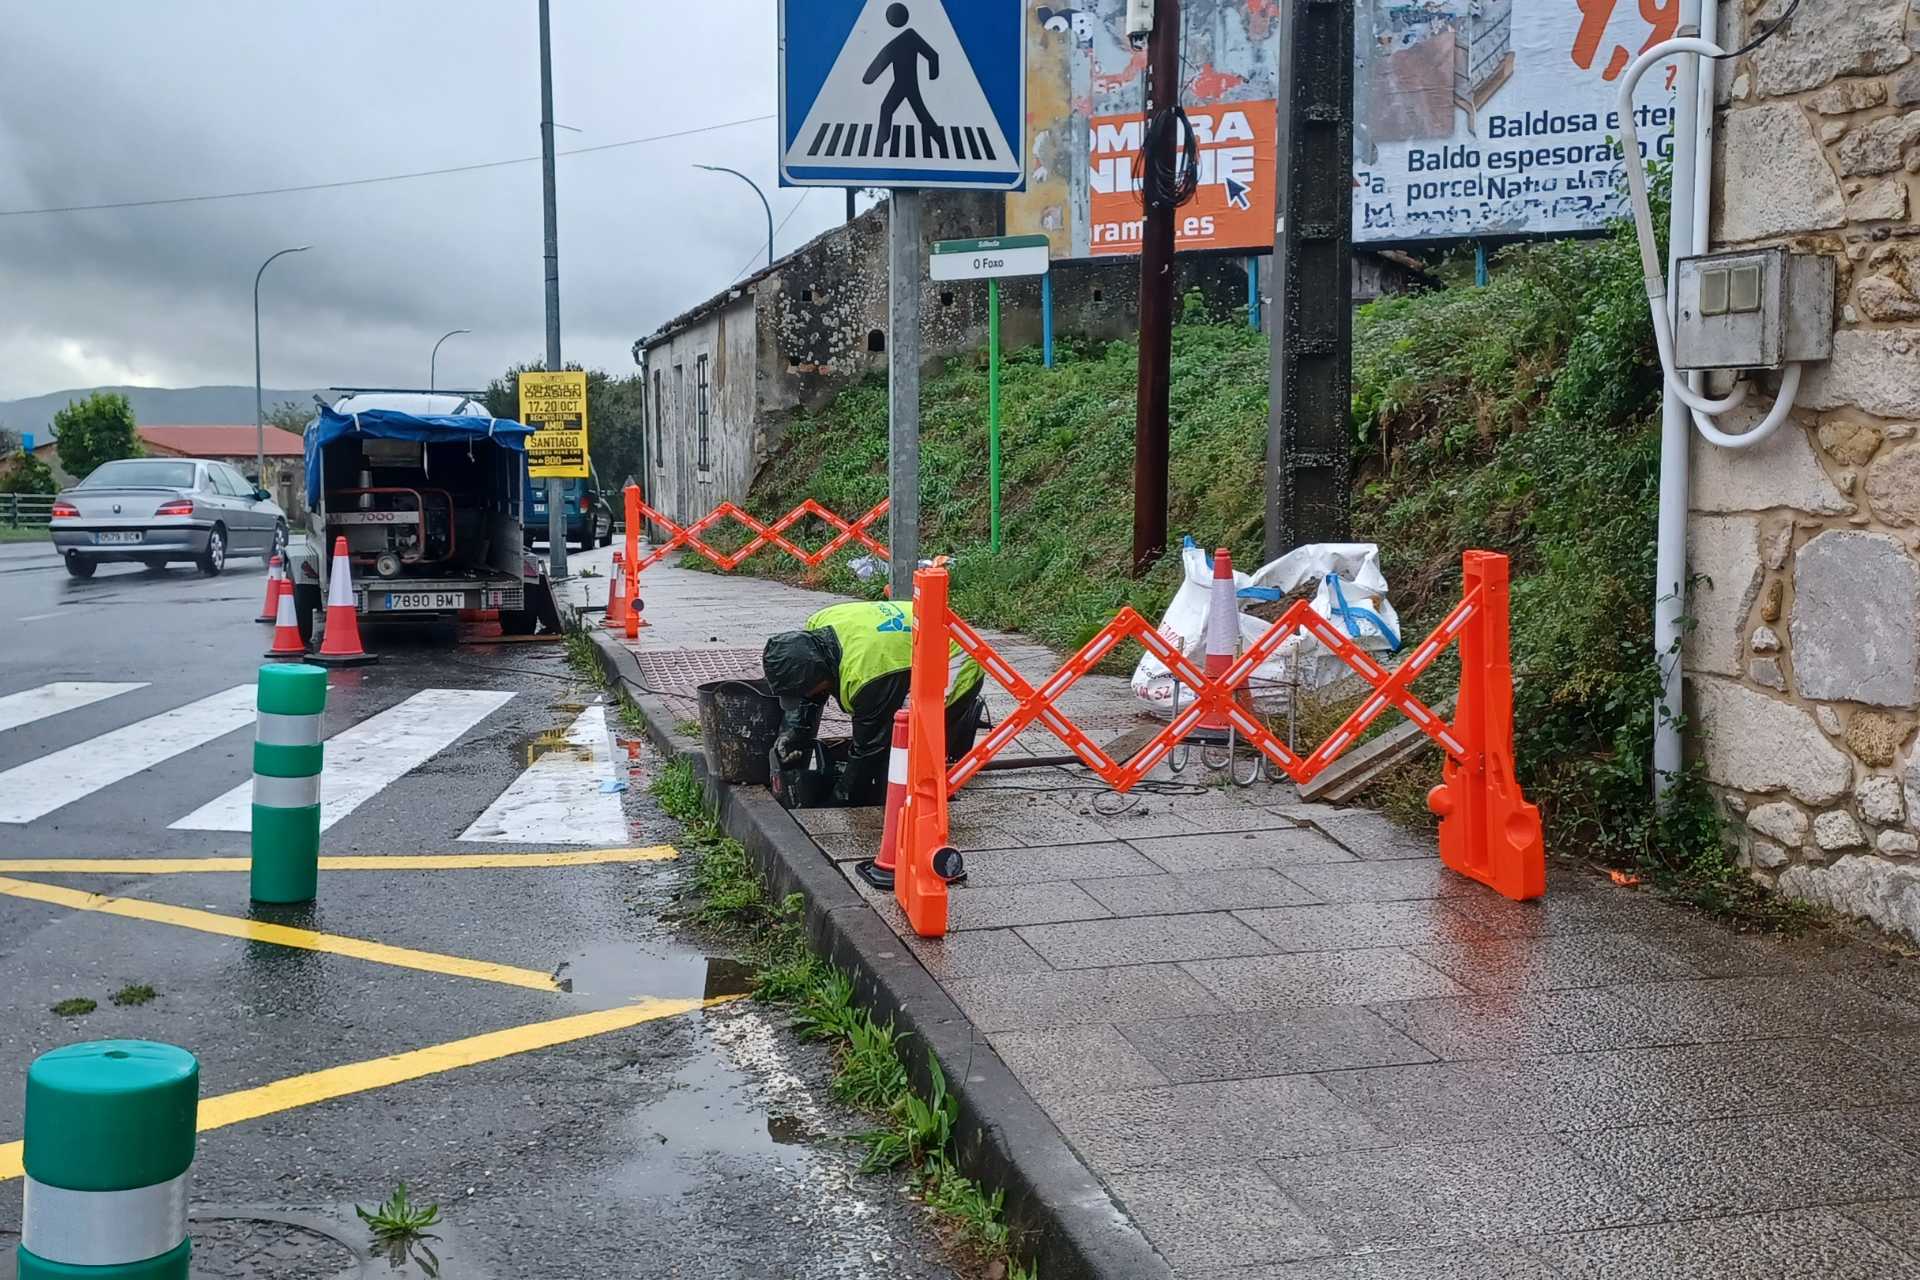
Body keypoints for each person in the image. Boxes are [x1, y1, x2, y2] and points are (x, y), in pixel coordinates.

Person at [762, 599, 983, 805]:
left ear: (820, 677)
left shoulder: (865, 678)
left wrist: (841, 799)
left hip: (955, 656)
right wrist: (795, 732)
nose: (804, 697)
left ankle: (934, 780)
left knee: (906, 736)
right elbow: (811, 693)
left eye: (803, 691)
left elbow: (869, 748)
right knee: (886, 739)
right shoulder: (818, 624)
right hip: (911, 644)